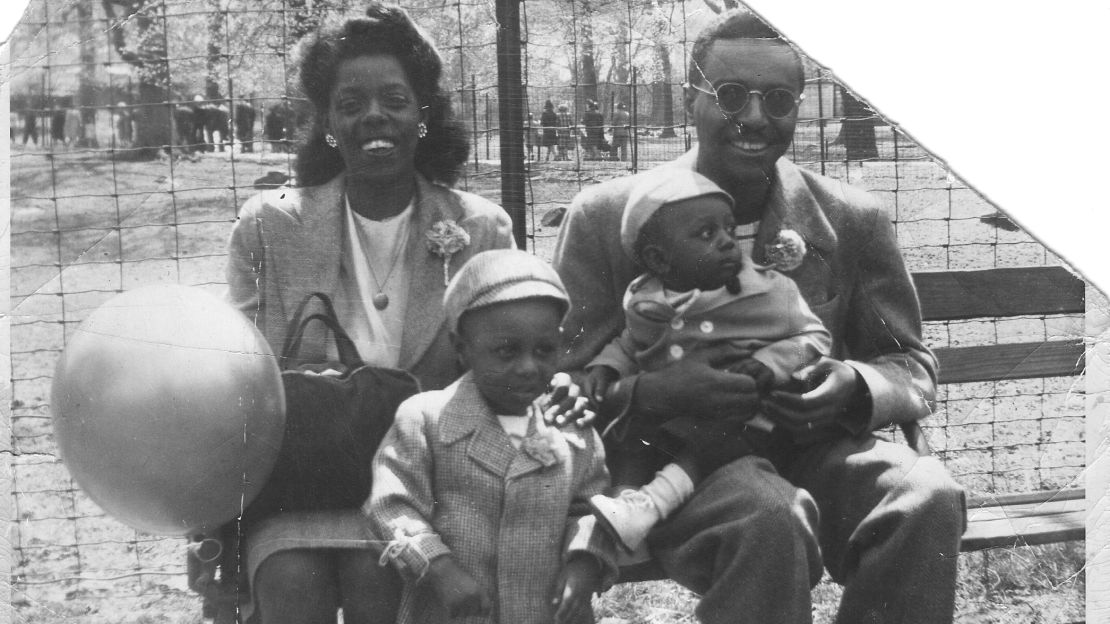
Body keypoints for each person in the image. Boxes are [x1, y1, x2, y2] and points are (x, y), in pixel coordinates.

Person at [553, 9, 965, 624]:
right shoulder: (606, 217)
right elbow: (561, 377)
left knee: (926, 496)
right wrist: (651, 391)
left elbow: (910, 363)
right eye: (730, 94)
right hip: (676, 459)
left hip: (815, 445)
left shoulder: (849, 219)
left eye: (777, 99)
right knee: (769, 516)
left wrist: (854, 386)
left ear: (800, 106)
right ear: (692, 100)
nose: (753, 117)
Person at [223, 7, 523, 624]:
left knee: (378, 576)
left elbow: (512, 362)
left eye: (395, 99)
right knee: (289, 579)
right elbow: (238, 375)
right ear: (328, 122)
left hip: (428, 480)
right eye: (350, 103)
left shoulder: (480, 228)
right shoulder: (268, 226)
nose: (374, 117)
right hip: (306, 478)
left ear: (423, 115)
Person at [583, 168, 831, 553]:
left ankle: (652, 505)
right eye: (706, 234)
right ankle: (621, 511)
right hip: (666, 417)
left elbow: (815, 337)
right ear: (659, 261)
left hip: (742, 419)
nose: (727, 243)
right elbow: (631, 342)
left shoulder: (769, 291)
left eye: (729, 231)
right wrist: (607, 365)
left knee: (710, 443)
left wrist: (770, 362)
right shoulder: (645, 300)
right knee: (633, 438)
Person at [368, 249, 616, 624]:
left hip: (544, 611)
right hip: (456, 611)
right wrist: (438, 567)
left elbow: (590, 506)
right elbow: (391, 506)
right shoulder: (426, 419)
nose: (529, 367)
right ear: (462, 349)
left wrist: (584, 561)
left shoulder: (568, 424)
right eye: (506, 352)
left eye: (544, 350)